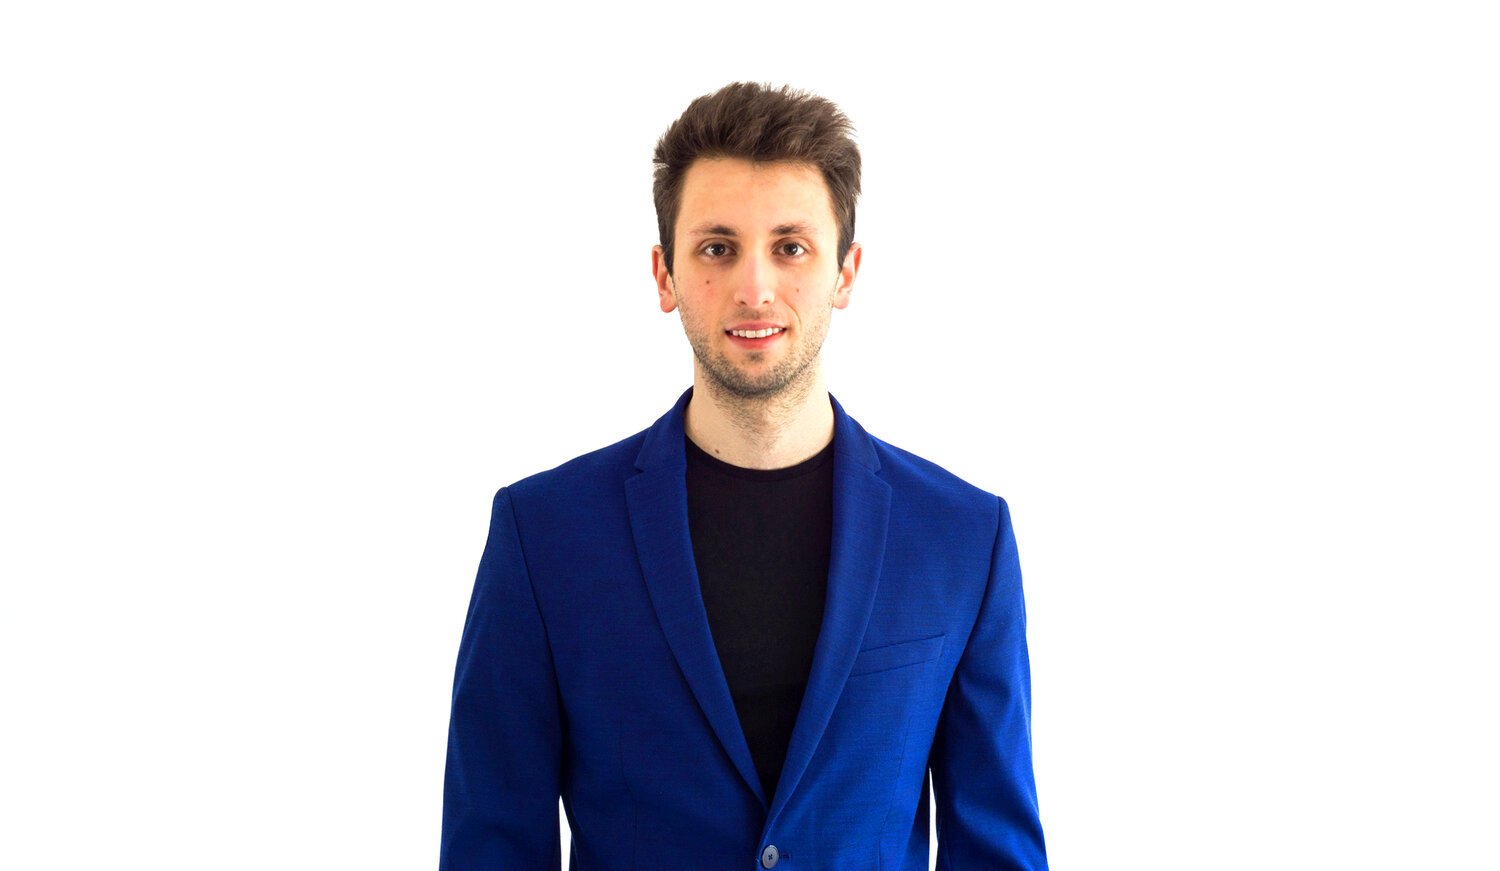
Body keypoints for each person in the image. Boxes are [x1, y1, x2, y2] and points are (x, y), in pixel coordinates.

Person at [439, 81, 1047, 870]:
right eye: (717, 248)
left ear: (846, 272)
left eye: (791, 247)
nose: (755, 288)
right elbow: (489, 846)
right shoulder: (544, 535)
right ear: (664, 274)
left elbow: (997, 851)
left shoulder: (963, 538)